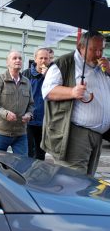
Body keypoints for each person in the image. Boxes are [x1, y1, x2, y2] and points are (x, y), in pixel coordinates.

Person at [41, 31, 110, 176]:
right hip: (74, 133)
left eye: (101, 49)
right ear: (81, 47)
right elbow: (47, 91)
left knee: (87, 181)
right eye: (93, 49)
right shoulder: (65, 63)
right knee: (73, 181)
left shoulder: (103, 67)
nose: (98, 54)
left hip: (97, 135)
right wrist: (72, 92)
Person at [0, 50, 34, 155]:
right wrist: (5, 113)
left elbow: (31, 104)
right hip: (0, 131)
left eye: (20, 58)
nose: (18, 60)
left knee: (22, 165)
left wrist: (29, 115)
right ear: (7, 62)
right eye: (14, 58)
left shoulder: (27, 82)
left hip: (20, 133)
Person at [22, 48, 50, 160]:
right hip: (29, 117)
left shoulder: (53, 74)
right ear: (35, 59)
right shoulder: (26, 73)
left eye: (46, 58)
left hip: (45, 119)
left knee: (41, 152)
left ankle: (38, 175)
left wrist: (48, 76)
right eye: (41, 58)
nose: (43, 61)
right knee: (28, 149)